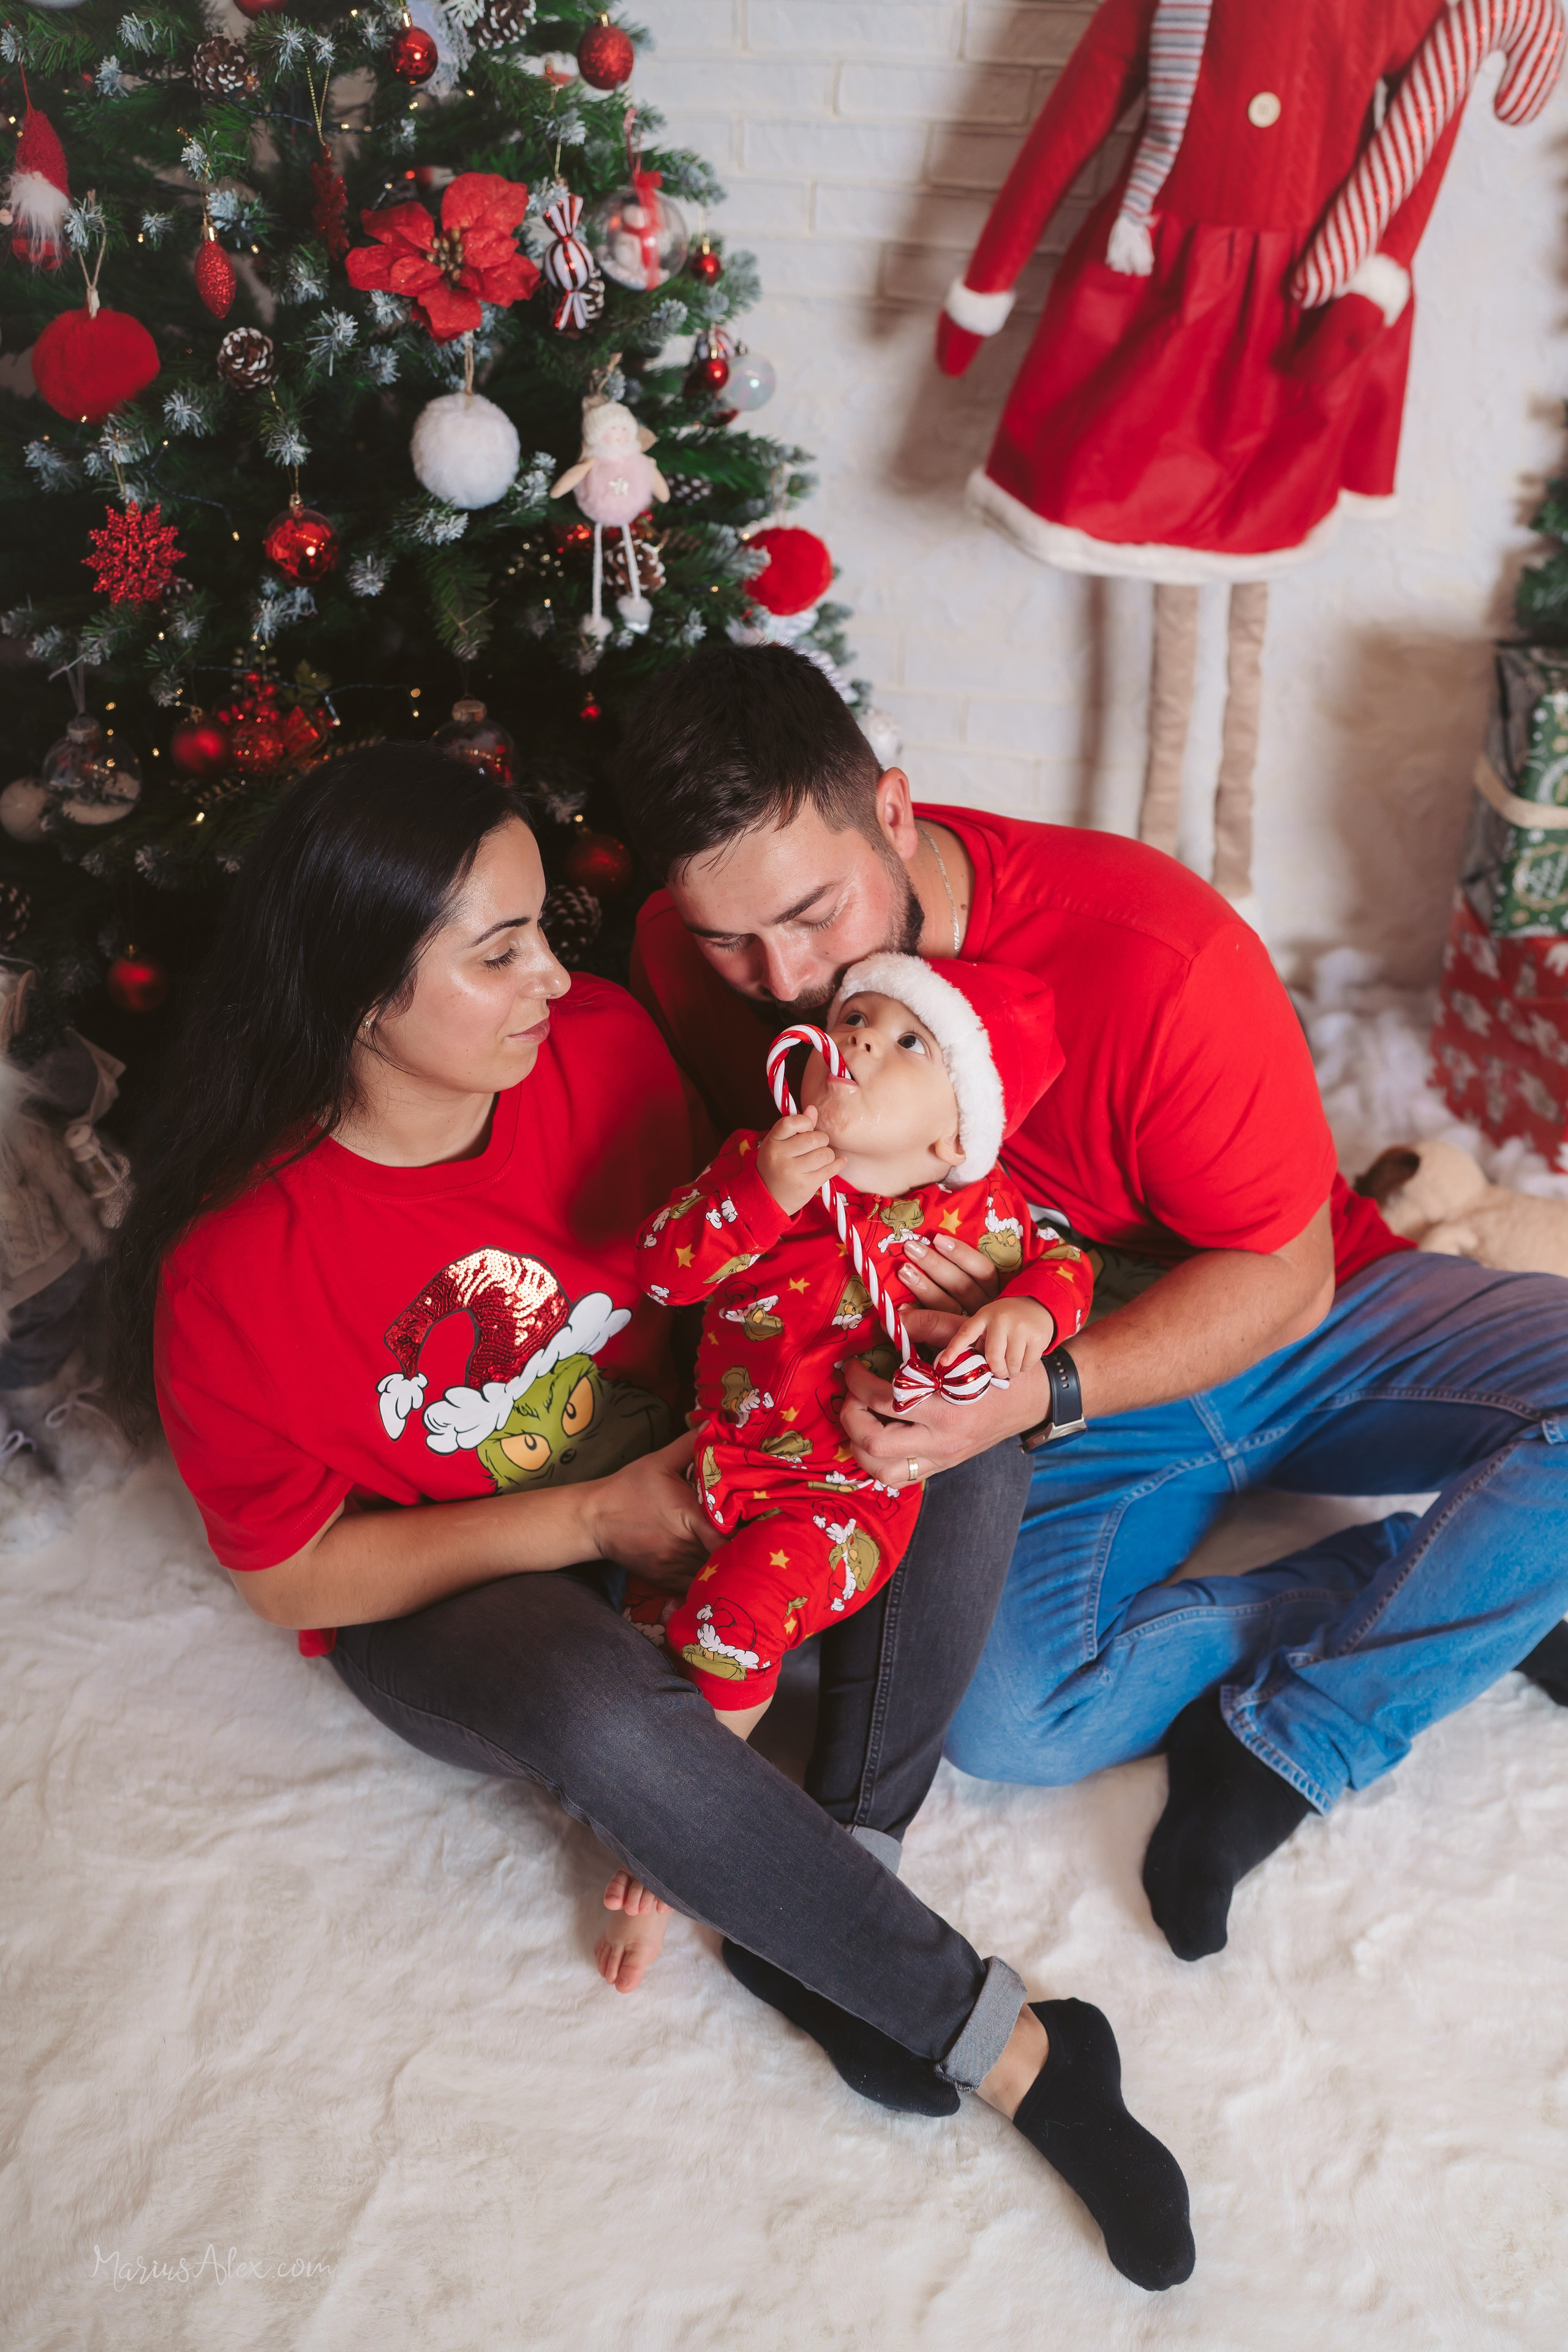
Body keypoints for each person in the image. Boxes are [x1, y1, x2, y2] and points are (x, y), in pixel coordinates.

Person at [105, 744, 1195, 2296]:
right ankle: (1006, 2045)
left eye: (544, 926)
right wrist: (589, 1522)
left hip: (734, 1478)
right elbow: (291, 1574)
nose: (557, 972)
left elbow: (748, 1268)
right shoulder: (241, 1272)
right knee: (587, 1699)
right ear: (359, 995)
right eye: (498, 954)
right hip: (478, 1590)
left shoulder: (602, 1044)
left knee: (970, 1436)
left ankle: (827, 1868)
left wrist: (932, 1339)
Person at [621, 642, 1568, 1975]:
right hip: (1067, 1387)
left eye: (814, 914)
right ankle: (1424, 1580)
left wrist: (1048, 1380)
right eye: (730, 936)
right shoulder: (690, 959)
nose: (782, 978)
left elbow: (1282, 1276)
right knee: (1011, 1728)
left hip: (1308, 1304)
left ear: (893, 813)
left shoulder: (1157, 956)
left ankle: (1296, 1743)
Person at [606, 953, 1093, 1986]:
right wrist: (760, 1190)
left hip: (835, 1506)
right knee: (650, 1649)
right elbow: (660, 1267)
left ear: (953, 1139)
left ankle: (670, 1840)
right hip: (712, 1465)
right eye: (858, 1016)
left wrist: (1025, 1312)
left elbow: (1068, 1270)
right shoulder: (762, 1163)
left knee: (732, 1625)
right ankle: (676, 1750)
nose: (866, 1035)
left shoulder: (975, 1217)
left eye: (912, 1041)